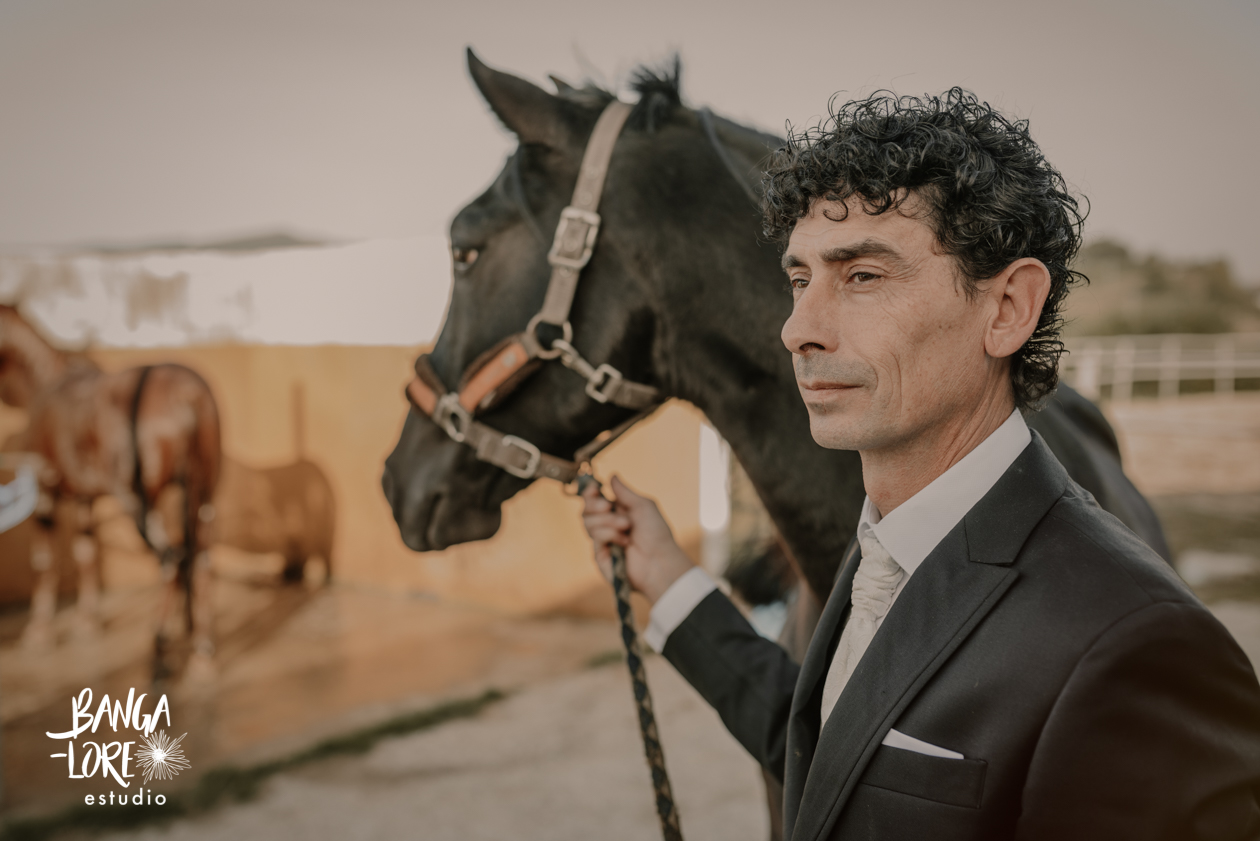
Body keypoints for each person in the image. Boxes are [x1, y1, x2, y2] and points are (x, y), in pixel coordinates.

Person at [582, 89, 1260, 840]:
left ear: (1007, 308)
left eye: (863, 276)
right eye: (800, 279)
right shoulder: (885, 545)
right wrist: (671, 582)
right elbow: (837, 757)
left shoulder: (1142, 645)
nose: (798, 328)